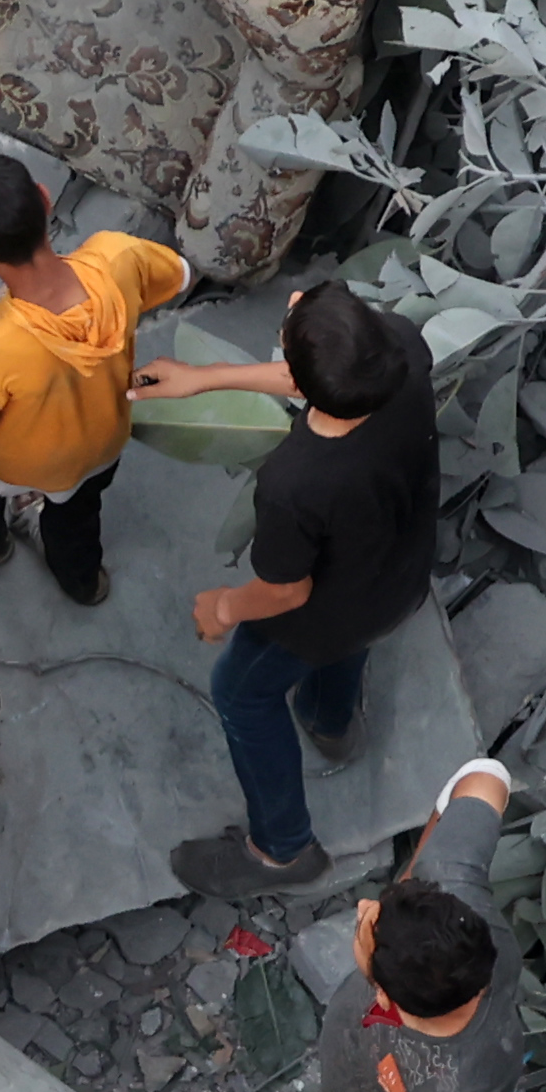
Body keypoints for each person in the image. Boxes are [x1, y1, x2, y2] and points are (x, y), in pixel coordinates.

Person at [147, 282, 440, 899]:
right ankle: (330, 723)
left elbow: (285, 592)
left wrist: (223, 607)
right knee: (353, 638)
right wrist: (203, 379)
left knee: (242, 693)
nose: (296, 294)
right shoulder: (403, 351)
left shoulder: (295, 483)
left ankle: (282, 850)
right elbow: (325, 384)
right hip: (399, 574)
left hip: (323, 613)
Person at [0, 157, 187, 609]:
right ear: (44, 197)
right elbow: (177, 276)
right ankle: (84, 582)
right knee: (76, 513)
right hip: (102, 443)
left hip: (21, 467)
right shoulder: (118, 255)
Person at [307, 760, 522, 1092]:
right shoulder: (454, 902)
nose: (364, 906)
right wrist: (417, 880)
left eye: (367, 929)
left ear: (386, 997)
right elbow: (484, 776)